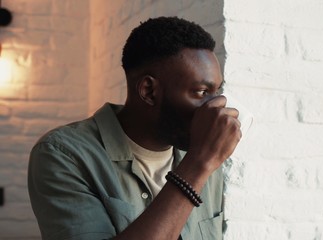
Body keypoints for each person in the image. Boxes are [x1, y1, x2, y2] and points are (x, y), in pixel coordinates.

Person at [28, 16, 241, 240]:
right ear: (149, 91)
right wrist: (199, 164)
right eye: (201, 92)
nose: (216, 107)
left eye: (217, 92)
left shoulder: (207, 151)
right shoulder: (63, 155)